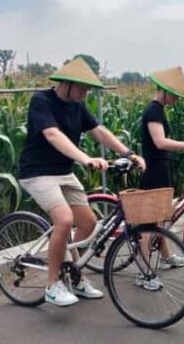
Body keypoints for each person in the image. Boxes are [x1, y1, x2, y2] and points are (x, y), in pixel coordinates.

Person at [18, 58, 146, 307]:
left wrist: (127, 153)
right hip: (37, 172)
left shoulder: (78, 105)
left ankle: (74, 276)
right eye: (82, 88)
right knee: (64, 220)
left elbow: (99, 131)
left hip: (63, 172)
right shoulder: (42, 101)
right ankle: (52, 285)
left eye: (88, 90)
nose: (84, 93)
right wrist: (85, 158)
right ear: (66, 83)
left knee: (88, 222)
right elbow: (53, 134)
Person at [139, 66, 184, 289]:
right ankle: (144, 272)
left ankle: (165, 257)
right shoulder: (154, 110)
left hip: (160, 168)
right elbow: (160, 142)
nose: (176, 98)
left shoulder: (159, 109)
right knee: (150, 224)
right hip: (153, 170)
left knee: (160, 219)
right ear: (164, 91)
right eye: (174, 94)